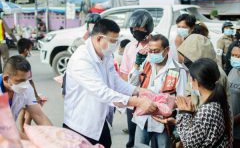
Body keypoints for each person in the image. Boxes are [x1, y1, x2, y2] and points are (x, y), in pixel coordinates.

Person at [63, 18, 157, 148]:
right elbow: (102, 92)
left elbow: (115, 82)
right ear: (98, 38)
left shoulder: (106, 55)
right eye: (112, 41)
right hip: (81, 125)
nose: (115, 45)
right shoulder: (82, 59)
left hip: (100, 122)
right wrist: (138, 101)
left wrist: (138, 91)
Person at [128, 34, 187, 148]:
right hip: (143, 118)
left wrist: (178, 125)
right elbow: (132, 85)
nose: (153, 54)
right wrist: (136, 65)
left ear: (167, 50)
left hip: (163, 123)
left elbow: (181, 99)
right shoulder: (146, 63)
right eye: (151, 51)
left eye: (156, 51)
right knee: (139, 145)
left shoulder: (178, 70)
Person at [176, 58, 232, 147]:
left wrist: (184, 113)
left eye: (191, 79)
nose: (190, 82)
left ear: (197, 82)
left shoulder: (207, 110)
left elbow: (189, 143)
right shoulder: (218, 100)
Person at [120, 9, 154, 148]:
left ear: (148, 28)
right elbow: (124, 74)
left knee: (154, 137)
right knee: (133, 137)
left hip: (153, 98)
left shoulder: (158, 45)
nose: (135, 30)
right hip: (134, 99)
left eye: (139, 27)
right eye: (133, 27)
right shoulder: (130, 47)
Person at [1, 55, 52, 138]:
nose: (24, 85)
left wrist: (55, 135)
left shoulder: (26, 87)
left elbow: (39, 115)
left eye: (26, 80)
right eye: (20, 81)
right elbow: (6, 130)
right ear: (6, 79)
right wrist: (37, 142)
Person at [177, 34, 231, 107]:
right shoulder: (195, 70)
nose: (185, 59)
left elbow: (213, 105)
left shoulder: (215, 73)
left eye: (188, 56)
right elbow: (190, 94)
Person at [17, 38, 47, 132]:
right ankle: (26, 132)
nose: (30, 51)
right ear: (26, 50)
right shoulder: (25, 63)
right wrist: (36, 95)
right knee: (30, 113)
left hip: (17, 92)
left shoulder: (14, 60)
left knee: (22, 110)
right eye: (30, 49)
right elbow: (30, 81)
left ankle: (22, 130)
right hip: (25, 92)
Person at [227, 41, 240, 148]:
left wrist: (232, 122)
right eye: (233, 55)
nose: (235, 58)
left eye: (239, 56)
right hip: (230, 129)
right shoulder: (233, 71)